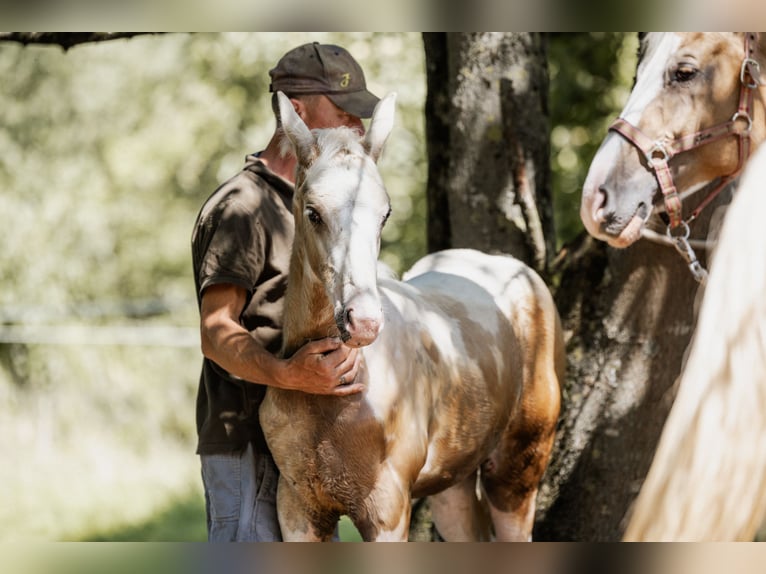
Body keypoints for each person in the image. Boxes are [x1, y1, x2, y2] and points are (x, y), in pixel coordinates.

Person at [190, 42, 380, 542]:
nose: (357, 126)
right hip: (250, 441)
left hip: (308, 440)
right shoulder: (243, 206)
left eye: (360, 115)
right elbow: (216, 330)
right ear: (295, 111)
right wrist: (288, 374)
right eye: (344, 112)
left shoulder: (318, 202)